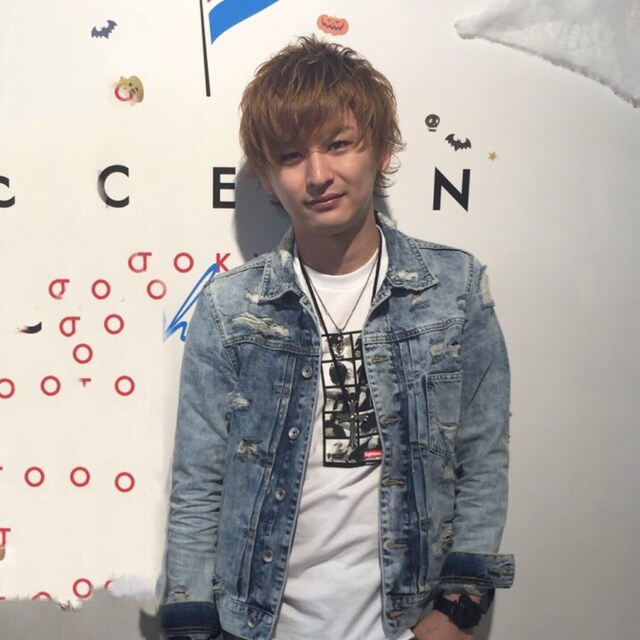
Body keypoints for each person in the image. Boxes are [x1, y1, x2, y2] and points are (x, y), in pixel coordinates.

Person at [159, 36, 513, 640]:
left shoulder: (454, 290)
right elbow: (198, 487)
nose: (318, 174)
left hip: (405, 624)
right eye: (292, 155)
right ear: (268, 178)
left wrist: (457, 612)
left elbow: (481, 458)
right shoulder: (230, 309)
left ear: (380, 150)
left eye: (339, 144)